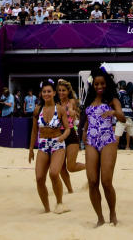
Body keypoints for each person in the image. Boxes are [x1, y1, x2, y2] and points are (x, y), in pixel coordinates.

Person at [81, 68, 125, 226]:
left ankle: (112, 213)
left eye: (102, 83)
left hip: (108, 140)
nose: (99, 86)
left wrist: (113, 112)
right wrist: (84, 131)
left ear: (107, 84)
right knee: (92, 181)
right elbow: (87, 118)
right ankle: (100, 218)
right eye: (97, 83)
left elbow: (123, 118)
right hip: (91, 141)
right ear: (93, 85)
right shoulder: (89, 101)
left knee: (106, 181)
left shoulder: (112, 99)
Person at [28, 79, 70, 214]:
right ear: (41, 93)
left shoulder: (60, 109)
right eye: (44, 91)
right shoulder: (37, 109)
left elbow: (68, 128)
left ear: (54, 93)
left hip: (58, 143)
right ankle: (46, 208)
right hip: (43, 144)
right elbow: (34, 131)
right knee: (39, 178)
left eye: (49, 91)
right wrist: (30, 150)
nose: (46, 94)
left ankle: (59, 202)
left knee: (53, 173)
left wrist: (63, 137)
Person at [55, 79, 85, 193]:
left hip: (71, 134)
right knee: (61, 168)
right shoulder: (56, 104)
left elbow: (72, 109)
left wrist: (72, 112)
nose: (61, 92)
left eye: (64, 90)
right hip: (58, 134)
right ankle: (70, 190)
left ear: (68, 92)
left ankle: (90, 167)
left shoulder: (71, 101)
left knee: (71, 167)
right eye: (60, 90)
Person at [115, 82, 133, 153]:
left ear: (119, 86)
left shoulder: (118, 94)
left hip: (122, 116)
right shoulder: (130, 94)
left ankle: (115, 150)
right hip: (130, 116)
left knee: (117, 134)